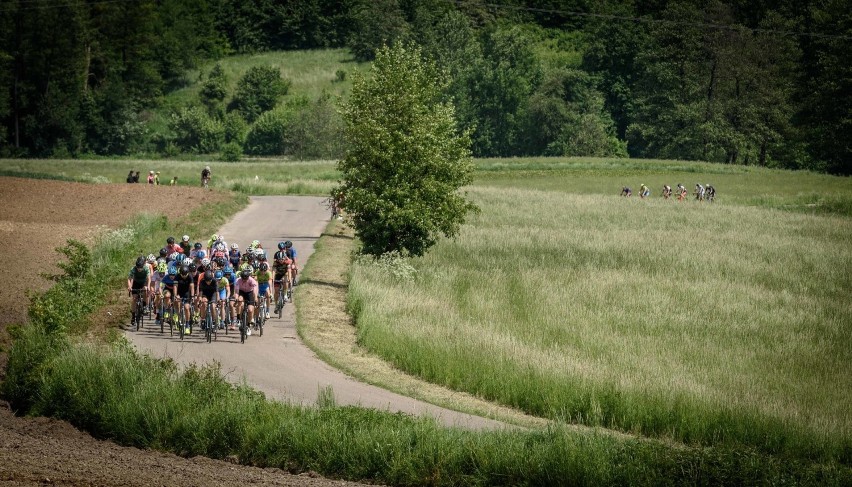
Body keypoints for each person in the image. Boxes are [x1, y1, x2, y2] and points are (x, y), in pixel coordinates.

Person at [127, 256, 151, 328]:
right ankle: (133, 316)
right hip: (136, 283)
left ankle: (144, 305)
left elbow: (149, 278)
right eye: (138, 268)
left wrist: (148, 286)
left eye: (140, 268)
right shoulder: (133, 269)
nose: (139, 269)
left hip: (143, 283)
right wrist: (129, 287)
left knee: (145, 290)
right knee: (134, 298)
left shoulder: (146, 269)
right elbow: (129, 278)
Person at [234, 268, 259, 334]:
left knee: (250, 310)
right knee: (239, 300)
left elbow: (254, 290)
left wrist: (255, 298)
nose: (244, 280)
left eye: (246, 279)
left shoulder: (252, 280)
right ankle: (238, 318)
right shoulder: (238, 280)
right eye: (243, 279)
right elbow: (236, 291)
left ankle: (248, 325)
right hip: (241, 292)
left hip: (249, 293)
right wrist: (236, 298)